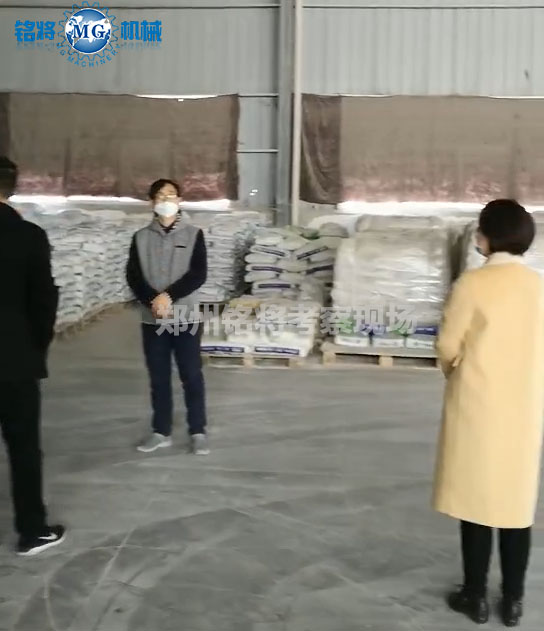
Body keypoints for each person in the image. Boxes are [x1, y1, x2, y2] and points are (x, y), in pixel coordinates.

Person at [433, 199, 544, 627]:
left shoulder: (472, 284)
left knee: (475, 502)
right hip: (524, 407)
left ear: (488, 237)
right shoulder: (536, 286)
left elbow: (448, 345)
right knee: (515, 507)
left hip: (477, 405)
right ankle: (513, 601)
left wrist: (453, 371)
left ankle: (475, 596)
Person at [0, 157, 65, 556]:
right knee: (23, 447)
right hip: (15, 360)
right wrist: (34, 348)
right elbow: (44, 302)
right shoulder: (28, 236)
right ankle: (32, 530)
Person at [126, 178, 209, 455]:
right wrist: (153, 300)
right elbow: (134, 276)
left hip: (185, 317)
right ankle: (161, 431)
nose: (166, 200)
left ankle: (197, 431)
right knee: (158, 376)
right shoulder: (140, 238)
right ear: (152, 202)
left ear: (180, 200)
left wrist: (168, 296)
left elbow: (198, 273)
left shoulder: (194, 234)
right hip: (153, 319)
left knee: (191, 375)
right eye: (160, 196)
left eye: (171, 195)